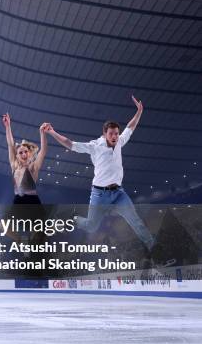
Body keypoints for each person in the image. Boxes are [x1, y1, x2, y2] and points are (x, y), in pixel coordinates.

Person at [45, 95, 154, 249]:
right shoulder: (95, 146)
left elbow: (130, 127)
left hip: (118, 194)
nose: (115, 136)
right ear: (104, 134)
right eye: (111, 134)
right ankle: (73, 218)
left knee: (135, 221)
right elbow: (70, 144)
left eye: (116, 133)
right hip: (99, 195)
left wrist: (140, 111)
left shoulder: (120, 141)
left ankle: (153, 247)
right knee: (91, 226)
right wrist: (52, 132)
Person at [2, 114, 49, 204]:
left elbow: (43, 150)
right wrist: (8, 126)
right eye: (20, 152)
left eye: (26, 151)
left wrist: (42, 133)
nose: (24, 154)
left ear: (30, 153)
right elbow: (10, 144)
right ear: (17, 155)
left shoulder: (33, 166)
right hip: (17, 200)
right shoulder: (14, 165)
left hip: (32, 202)